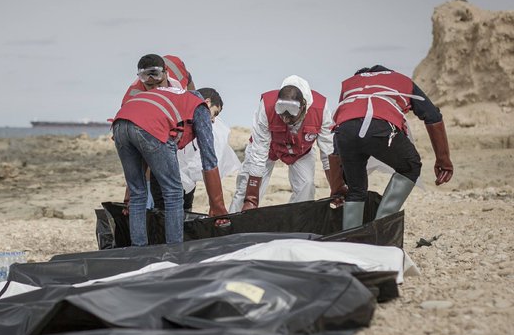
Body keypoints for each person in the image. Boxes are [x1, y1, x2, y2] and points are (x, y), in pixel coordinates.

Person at [112, 54, 229, 246]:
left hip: (119, 124)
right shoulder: (199, 107)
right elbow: (209, 157)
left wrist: (128, 199)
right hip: (146, 125)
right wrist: (217, 207)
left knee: (138, 193)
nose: (212, 120)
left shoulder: (149, 94)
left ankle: (137, 250)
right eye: (213, 115)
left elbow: (137, 138)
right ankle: (175, 250)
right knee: (174, 192)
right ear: (207, 104)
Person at [332, 65, 453, 229]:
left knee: (356, 190)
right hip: (380, 127)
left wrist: (338, 186)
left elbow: (343, 121)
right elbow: (432, 115)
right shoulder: (400, 79)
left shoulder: (350, 85)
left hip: (344, 133)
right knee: (410, 166)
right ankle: (380, 230)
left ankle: (349, 241)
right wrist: (443, 159)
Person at [230, 75, 345, 212]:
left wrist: (336, 188)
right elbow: (259, 150)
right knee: (245, 189)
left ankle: (297, 225)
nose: (285, 119)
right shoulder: (266, 106)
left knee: (306, 186)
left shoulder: (321, 109)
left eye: (291, 115)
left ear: (303, 106)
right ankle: (233, 223)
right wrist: (251, 199)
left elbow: (328, 152)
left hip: (302, 151)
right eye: (281, 113)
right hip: (268, 149)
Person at [120, 54, 195, 106]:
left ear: (166, 72)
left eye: (159, 83)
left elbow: (188, 80)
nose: (156, 89)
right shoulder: (131, 100)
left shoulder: (174, 65)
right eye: (149, 85)